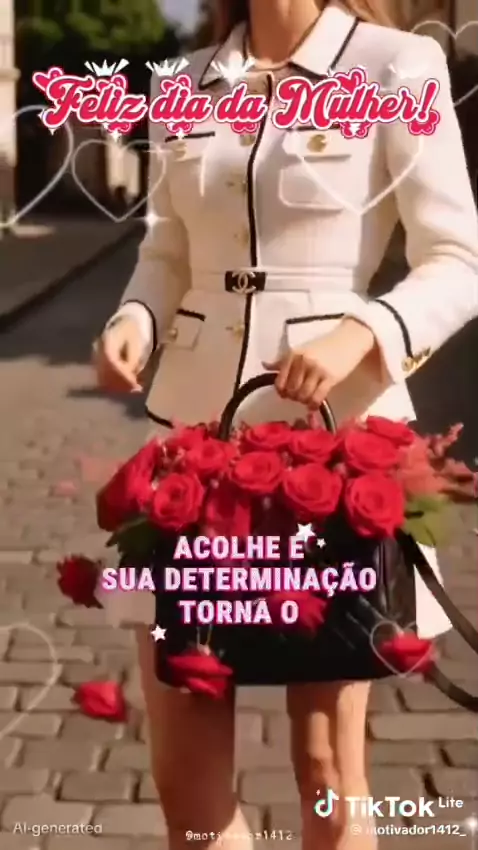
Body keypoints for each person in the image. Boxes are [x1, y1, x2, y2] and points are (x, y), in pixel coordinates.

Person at [93, 1, 478, 848]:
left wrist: (364, 332)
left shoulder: (395, 66)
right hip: (192, 453)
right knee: (183, 776)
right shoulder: (183, 82)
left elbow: (457, 259)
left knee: (327, 768)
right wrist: (135, 321)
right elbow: (166, 252)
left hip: (332, 457)